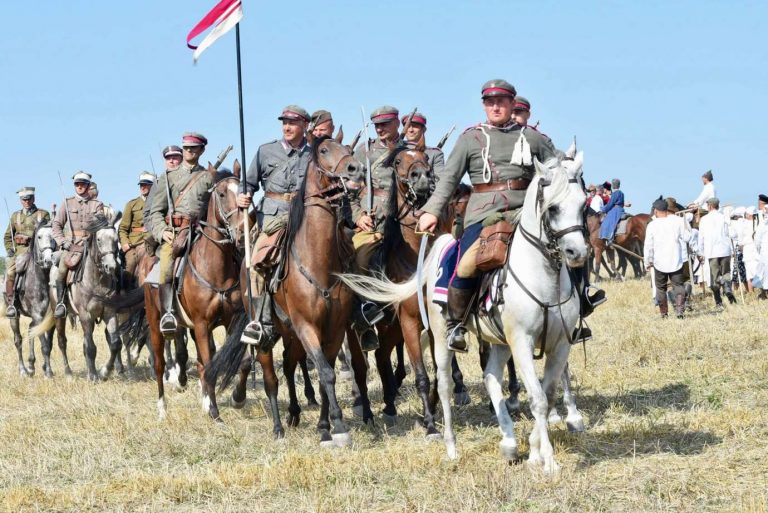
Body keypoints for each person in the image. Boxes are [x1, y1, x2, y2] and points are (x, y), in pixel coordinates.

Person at [416, 79, 604, 352]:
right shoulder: (470, 138)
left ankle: (580, 304)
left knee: (571, 244)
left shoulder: (532, 137)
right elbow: (448, 179)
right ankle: (456, 323)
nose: (496, 107)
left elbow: (560, 167)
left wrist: (571, 167)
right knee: (466, 258)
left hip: (526, 212)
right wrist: (432, 211)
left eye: (501, 102)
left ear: (512, 104)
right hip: (483, 213)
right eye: (490, 102)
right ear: (483, 105)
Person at [236, 106, 312, 347]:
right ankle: (262, 323)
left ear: (305, 126)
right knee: (257, 265)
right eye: (284, 123)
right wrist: (243, 195)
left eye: (293, 123)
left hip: (307, 220)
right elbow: (247, 183)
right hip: (273, 221)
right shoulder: (266, 151)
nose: (287, 127)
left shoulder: (314, 155)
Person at [348, 105, 406, 351]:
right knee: (359, 260)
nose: (381, 129)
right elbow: (350, 192)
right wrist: (359, 215)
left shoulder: (409, 151)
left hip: (404, 223)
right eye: (377, 125)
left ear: (398, 124)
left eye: (385, 124)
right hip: (373, 225)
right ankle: (365, 312)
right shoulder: (365, 153)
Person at [148, 132, 215, 335]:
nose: (189, 151)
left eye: (194, 148)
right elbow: (154, 212)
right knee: (167, 265)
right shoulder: (168, 178)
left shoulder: (207, 177)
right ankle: (169, 312)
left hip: (203, 231)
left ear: (202, 150)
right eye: (186, 148)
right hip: (176, 232)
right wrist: (162, 232)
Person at [51, 172, 105, 318]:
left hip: (92, 246)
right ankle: (61, 302)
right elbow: (56, 225)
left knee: (111, 265)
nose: (80, 186)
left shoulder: (97, 204)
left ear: (88, 185)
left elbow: (101, 224)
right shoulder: (67, 203)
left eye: (82, 184)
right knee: (61, 269)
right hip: (72, 247)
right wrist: (63, 242)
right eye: (77, 184)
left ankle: (113, 300)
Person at [3, 187, 50, 318]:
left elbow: (48, 232)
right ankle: (12, 303)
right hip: (20, 252)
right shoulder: (15, 216)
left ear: (33, 199)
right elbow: (8, 237)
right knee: (10, 272)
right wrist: (9, 249)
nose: (27, 201)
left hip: (38, 252)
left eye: (29, 199)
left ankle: (60, 301)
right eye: (24, 199)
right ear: (20, 201)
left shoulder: (43, 214)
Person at [644, 199, 691, 318]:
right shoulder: (678, 222)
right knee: (678, 286)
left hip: (659, 262)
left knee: (660, 288)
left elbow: (648, 245)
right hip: (675, 260)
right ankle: (680, 311)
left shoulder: (652, 225)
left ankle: (664, 314)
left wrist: (647, 262)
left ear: (655, 210)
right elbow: (687, 237)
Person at [144, 146, 182, 257]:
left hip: (193, 229)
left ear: (182, 159)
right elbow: (147, 214)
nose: (171, 160)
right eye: (168, 158)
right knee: (162, 271)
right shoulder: (159, 183)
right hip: (169, 233)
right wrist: (161, 232)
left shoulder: (193, 178)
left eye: (175, 157)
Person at [697, 197, 736, 307]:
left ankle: (718, 301)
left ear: (709, 206)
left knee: (715, 276)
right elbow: (732, 234)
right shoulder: (723, 217)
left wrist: (700, 252)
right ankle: (727, 289)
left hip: (711, 252)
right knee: (726, 273)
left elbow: (701, 238)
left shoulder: (704, 219)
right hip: (725, 250)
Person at [118, 171, 155, 285]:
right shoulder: (132, 204)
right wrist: (125, 243)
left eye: (146, 184)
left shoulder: (158, 203)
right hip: (135, 243)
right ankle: (124, 291)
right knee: (131, 264)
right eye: (141, 185)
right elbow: (123, 228)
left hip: (154, 240)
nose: (143, 187)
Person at [401, 111, 445, 178]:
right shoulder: (397, 149)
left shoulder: (435, 153)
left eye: (415, 126)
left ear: (424, 129)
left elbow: (440, 179)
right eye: (407, 126)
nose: (410, 130)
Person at [599, 178, 624, 244]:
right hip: (621, 209)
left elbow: (610, 204)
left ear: (613, 185)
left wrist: (603, 209)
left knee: (607, 221)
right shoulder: (621, 193)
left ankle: (608, 238)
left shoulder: (615, 193)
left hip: (615, 210)